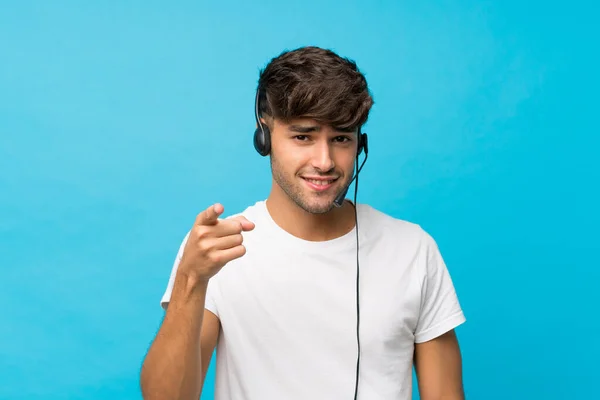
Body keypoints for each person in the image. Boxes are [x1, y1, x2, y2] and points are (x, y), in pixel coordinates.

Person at [140, 46, 466, 400]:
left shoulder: (413, 249)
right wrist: (190, 280)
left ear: (361, 144)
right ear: (264, 137)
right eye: (303, 136)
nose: (324, 161)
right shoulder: (219, 249)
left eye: (341, 138)